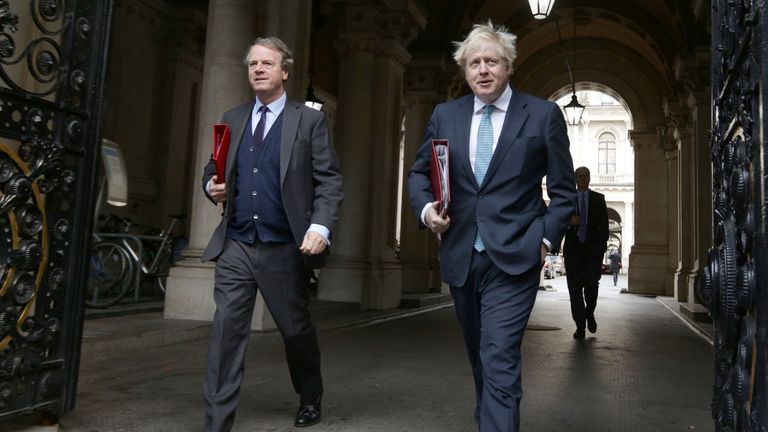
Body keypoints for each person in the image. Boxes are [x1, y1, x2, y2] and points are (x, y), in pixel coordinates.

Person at [407, 21, 576, 432]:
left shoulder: (542, 115)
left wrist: (546, 240)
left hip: (516, 257)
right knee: (481, 355)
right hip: (462, 255)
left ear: (509, 67)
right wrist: (428, 211)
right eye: (474, 63)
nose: (483, 70)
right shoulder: (446, 115)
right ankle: (490, 416)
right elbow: (418, 174)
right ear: (465, 70)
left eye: (492, 62)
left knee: (499, 354)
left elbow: (563, 191)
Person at [200, 37, 343, 431]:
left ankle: (310, 394)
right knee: (226, 333)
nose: (258, 69)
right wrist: (211, 184)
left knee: (296, 330)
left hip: (284, 246)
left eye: (267, 63)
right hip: (237, 244)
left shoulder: (309, 121)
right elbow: (213, 170)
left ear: (285, 70)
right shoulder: (232, 117)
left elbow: (329, 181)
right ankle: (217, 422)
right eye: (252, 64)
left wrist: (320, 226)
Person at [562, 167, 608, 339]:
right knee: (574, 291)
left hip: (592, 253)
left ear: (589, 178)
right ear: (575, 179)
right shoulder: (568, 199)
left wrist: (601, 249)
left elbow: (604, 226)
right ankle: (580, 326)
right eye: (579, 176)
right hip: (573, 251)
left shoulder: (598, 199)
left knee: (591, 286)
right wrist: (568, 221)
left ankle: (589, 312)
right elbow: (557, 222)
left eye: (585, 176)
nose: (582, 179)